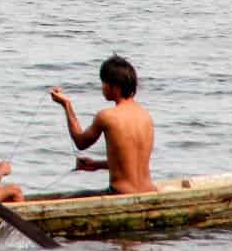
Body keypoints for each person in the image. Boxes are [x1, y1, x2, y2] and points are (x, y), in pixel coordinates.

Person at [49, 54, 155, 195]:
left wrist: (66, 105)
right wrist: (95, 165)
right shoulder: (145, 116)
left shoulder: (106, 116)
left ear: (114, 87)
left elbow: (80, 142)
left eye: (104, 82)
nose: (102, 87)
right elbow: (131, 162)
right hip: (149, 191)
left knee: (64, 199)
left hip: (120, 193)